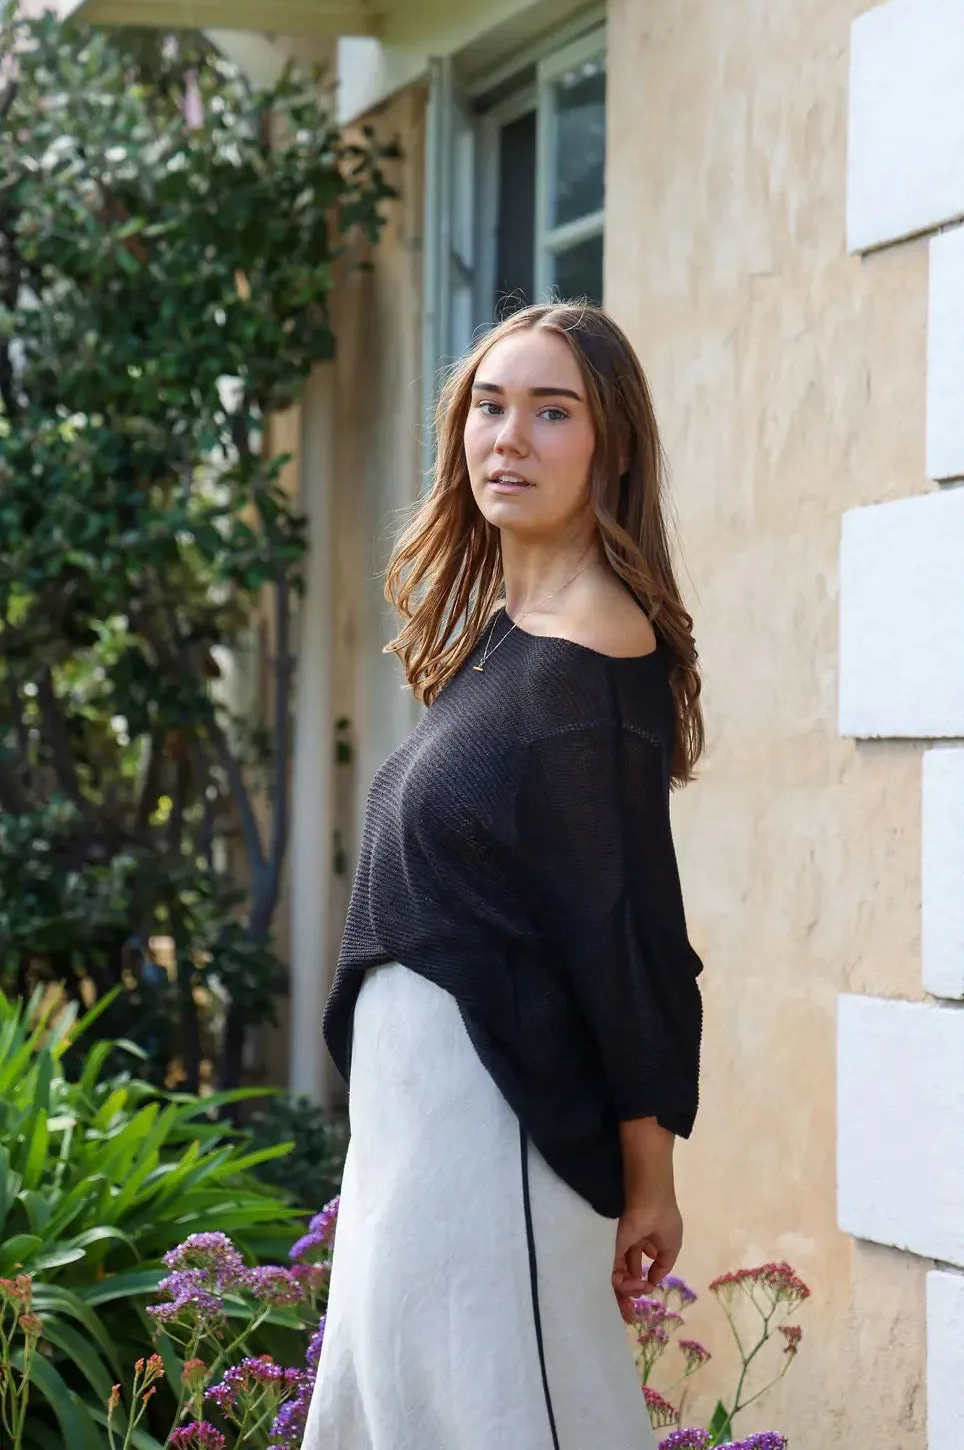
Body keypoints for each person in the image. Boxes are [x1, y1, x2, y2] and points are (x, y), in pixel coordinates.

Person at [301, 302, 705, 1450]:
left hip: (499, 1127)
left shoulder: (593, 651)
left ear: (610, 445)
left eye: (551, 411)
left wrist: (649, 1176)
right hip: (417, 1136)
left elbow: (626, 931)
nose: (509, 437)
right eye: (489, 405)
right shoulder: (505, 638)